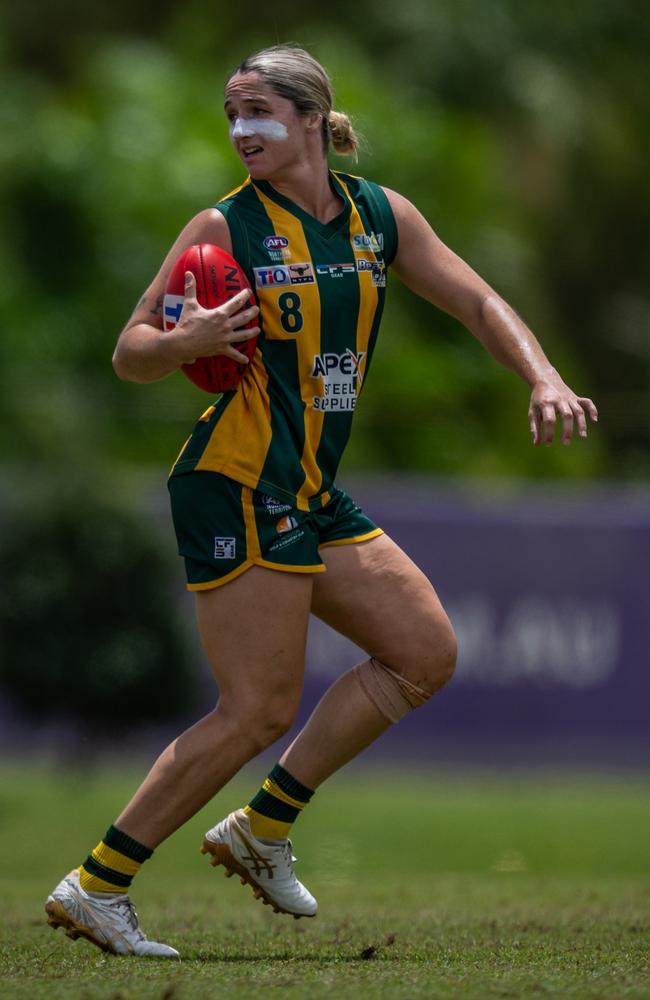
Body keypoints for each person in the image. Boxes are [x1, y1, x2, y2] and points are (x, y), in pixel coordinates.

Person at [45, 43, 597, 959]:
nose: (240, 131)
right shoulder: (223, 227)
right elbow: (128, 350)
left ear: (311, 119)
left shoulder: (380, 216)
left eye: (257, 111)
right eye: (230, 114)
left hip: (307, 486)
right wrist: (188, 344)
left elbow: (476, 301)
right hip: (235, 480)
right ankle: (98, 884)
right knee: (255, 710)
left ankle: (261, 831)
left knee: (423, 651)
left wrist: (541, 375)